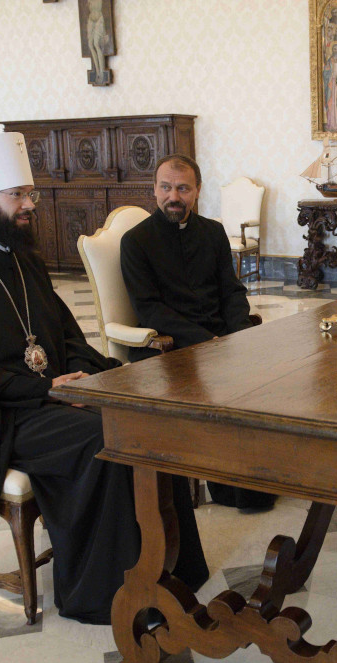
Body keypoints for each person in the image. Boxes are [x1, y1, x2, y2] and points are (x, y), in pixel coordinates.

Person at [0, 133, 209, 625]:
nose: (30, 205)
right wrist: (45, 388)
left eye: (29, 194)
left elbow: (64, 335)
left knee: (146, 408)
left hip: (51, 393)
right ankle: (108, 593)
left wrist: (101, 376)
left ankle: (173, 568)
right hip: (2, 416)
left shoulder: (23, 257)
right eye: (18, 196)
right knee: (104, 437)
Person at [120, 154, 275, 511]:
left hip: (222, 338)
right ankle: (228, 486)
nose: (173, 196)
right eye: (165, 187)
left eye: (183, 188)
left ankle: (262, 477)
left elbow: (231, 291)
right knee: (221, 384)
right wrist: (209, 344)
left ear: (198, 191)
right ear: (154, 189)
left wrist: (238, 335)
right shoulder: (136, 241)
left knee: (267, 378)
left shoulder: (212, 232)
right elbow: (150, 309)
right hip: (169, 346)